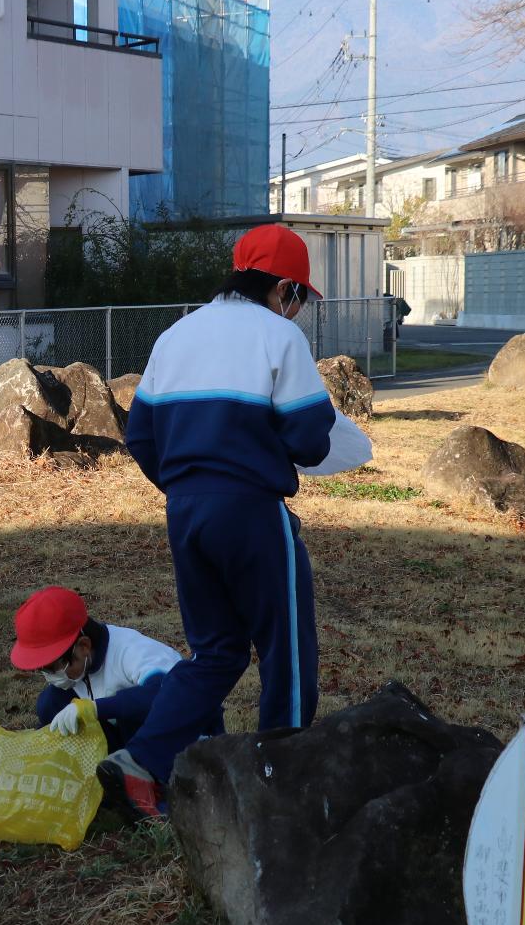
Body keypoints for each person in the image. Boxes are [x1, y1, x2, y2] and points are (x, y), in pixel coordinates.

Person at [97, 223, 344, 819]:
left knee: (214, 652)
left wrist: (188, 486)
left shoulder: (177, 334)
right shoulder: (277, 337)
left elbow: (141, 434)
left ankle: (142, 759)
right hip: (252, 511)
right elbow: (312, 438)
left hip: (184, 512)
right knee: (285, 648)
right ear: (284, 288)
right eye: (301, 298)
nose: (300, 310)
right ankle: (276, 778)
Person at [9, 586, 219, 753]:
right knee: (50, 703)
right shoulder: (83, 666)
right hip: (124, 741)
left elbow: (168, 695)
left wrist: (96, 708)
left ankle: (150, 787)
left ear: (83, 646)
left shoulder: (132, 651)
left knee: (130, 706)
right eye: (42, 670)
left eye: (56, 667)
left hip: (189, 741)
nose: (51, 676)